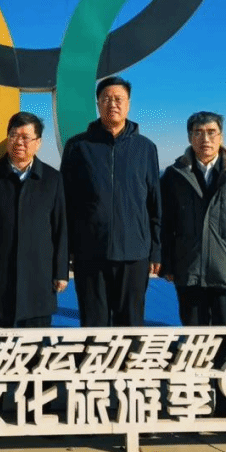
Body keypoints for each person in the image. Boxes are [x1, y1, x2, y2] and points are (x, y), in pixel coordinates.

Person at [160, 111, 226, 375]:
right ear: (189, 137)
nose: (204, 139)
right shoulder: (175, 175)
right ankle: (197, 391)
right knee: (195, 341)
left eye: (211, 132)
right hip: (190, 270)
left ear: (221, 136)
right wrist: (168, 264)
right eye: (198, 133)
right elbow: (166, 224)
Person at [60, 76, 161, 327]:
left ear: (128, 104)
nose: (112, 104)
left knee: (131, 325)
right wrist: (67, 249)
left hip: (134, 253)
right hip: (90, 252)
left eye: (118, 99)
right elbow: (66, 203)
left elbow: (154, 203)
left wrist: (157, 250)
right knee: (93, 325)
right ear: (97, 104)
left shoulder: (146, 148)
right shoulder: (78, 146)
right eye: (106, 98)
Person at [0, 112, 68, 328]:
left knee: (34, 344)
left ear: (38, 142)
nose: (19, 142)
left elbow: (60, 229)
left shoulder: (52, 179)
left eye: (25, 137)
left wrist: (61, 271)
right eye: (13, 135)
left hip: (38, 278)